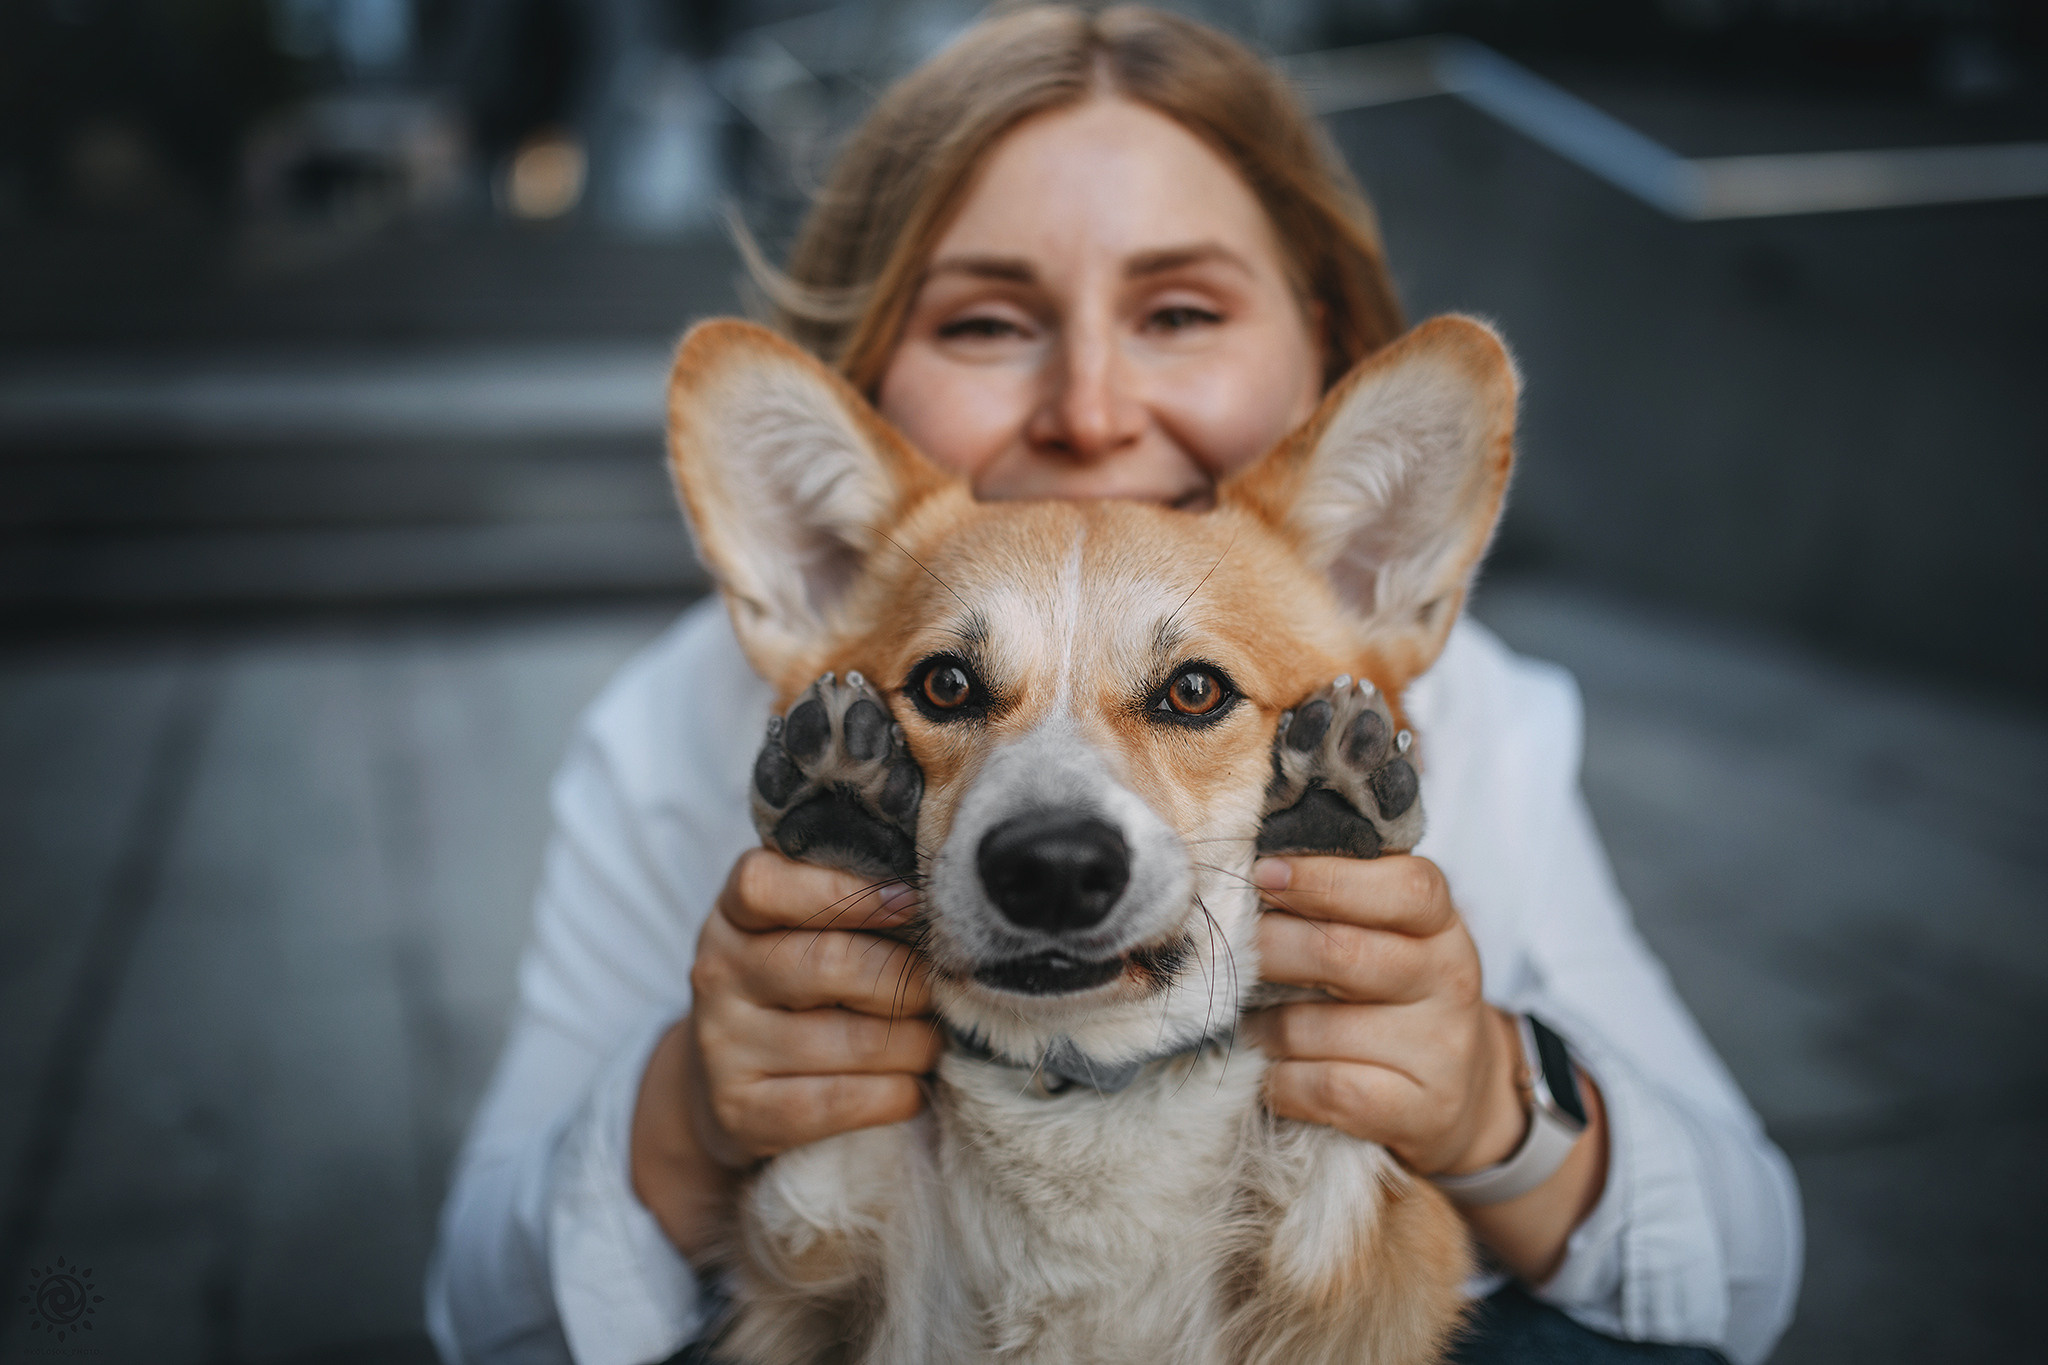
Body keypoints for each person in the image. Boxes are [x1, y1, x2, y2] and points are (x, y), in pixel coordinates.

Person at [425, 8, 1801, 1364]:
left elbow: (1748, 1272)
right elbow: (477, 1321)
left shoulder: (1481, 712)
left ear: (1312, 342)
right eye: (984, 321)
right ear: (873, 369)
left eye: (1181, 309)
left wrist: (1496, 1098)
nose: (1091, 408)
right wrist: (684, 1111)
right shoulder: (673, 721)